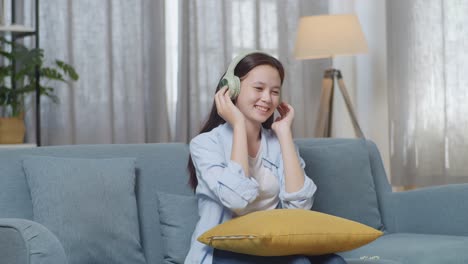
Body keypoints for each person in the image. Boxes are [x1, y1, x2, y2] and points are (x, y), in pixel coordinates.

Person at [185, 51, 346, 264]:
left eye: (274, 91)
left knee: (335, 261)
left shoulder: (278, 143)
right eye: (259, 88)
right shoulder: (204, 144)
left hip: (273, 244)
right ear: (231, 89)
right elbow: (236, 200)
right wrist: (239, 125)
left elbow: (300, 208)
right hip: (224, 248)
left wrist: (284, 133)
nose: (267, 99)